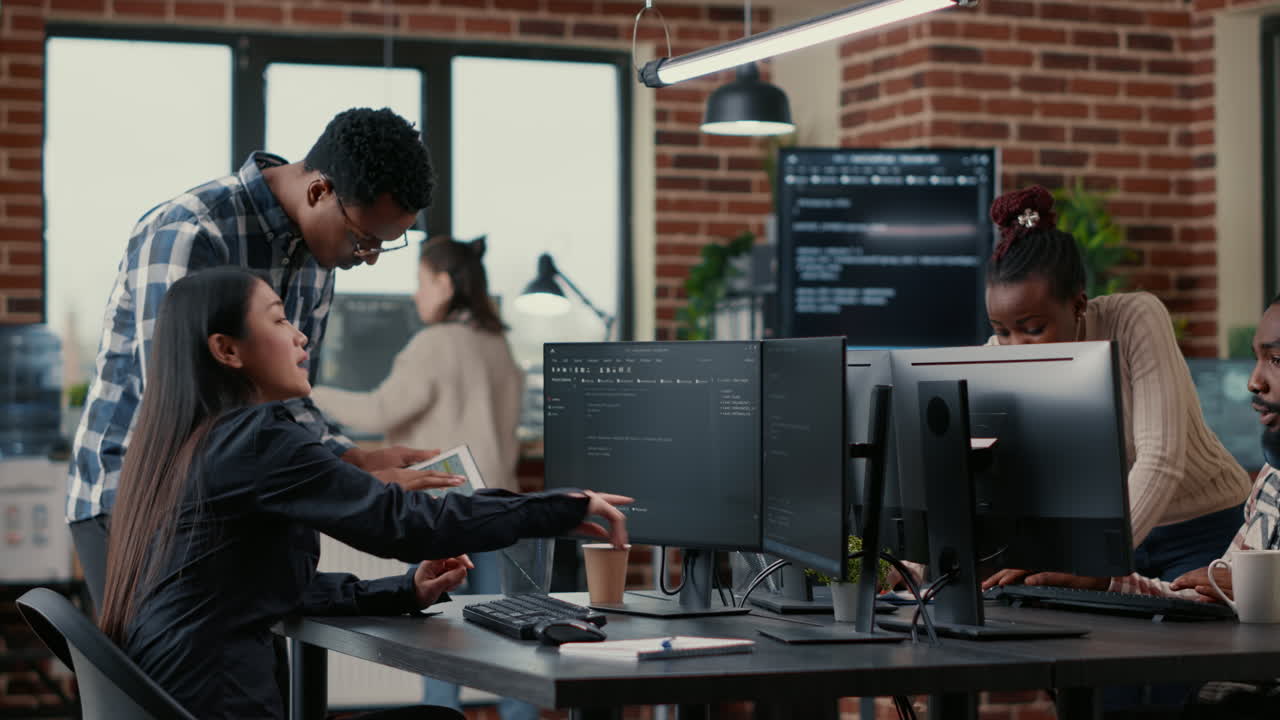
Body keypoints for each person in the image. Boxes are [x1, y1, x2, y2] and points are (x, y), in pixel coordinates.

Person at [96, 267, 631, 720]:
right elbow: (405, 522)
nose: (301, 336)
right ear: (227, 350)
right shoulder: (256, 439)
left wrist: (405, 592)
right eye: (279, 319)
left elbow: (267, 588)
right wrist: (560, 507)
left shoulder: (184, 444)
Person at [67, 107, 457, 614]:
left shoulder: (320, 255)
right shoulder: (191, 232)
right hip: (135, 502)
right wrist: (342, 485)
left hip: (224, 507)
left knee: (251, 661)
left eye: (385, 244)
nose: (369, 258)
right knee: (174, 666)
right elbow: (184, 406)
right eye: (364, 239)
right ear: (319, 192)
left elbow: (291, 400)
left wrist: (351, 460)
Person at [978, 185, 1252, 590]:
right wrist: (913, 567)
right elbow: (968, 469)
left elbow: (1161, 459)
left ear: (1078, 304)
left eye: (1033, 329)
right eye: (1002, 331)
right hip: (1092, 537)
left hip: (1203, 530)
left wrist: (1089, 558)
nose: (1015, 347)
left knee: (1190, 630)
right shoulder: (997, 357)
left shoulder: (1134, 319)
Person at [310, 235, 532, 719]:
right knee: (513, 642)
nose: (416, 294)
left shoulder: (434, 344)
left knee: (439, 631)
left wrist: (308, 393)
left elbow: (380, 410)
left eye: (422, 282)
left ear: (446, 284)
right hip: (501, 508)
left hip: (449, 509)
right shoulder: (498, 345)